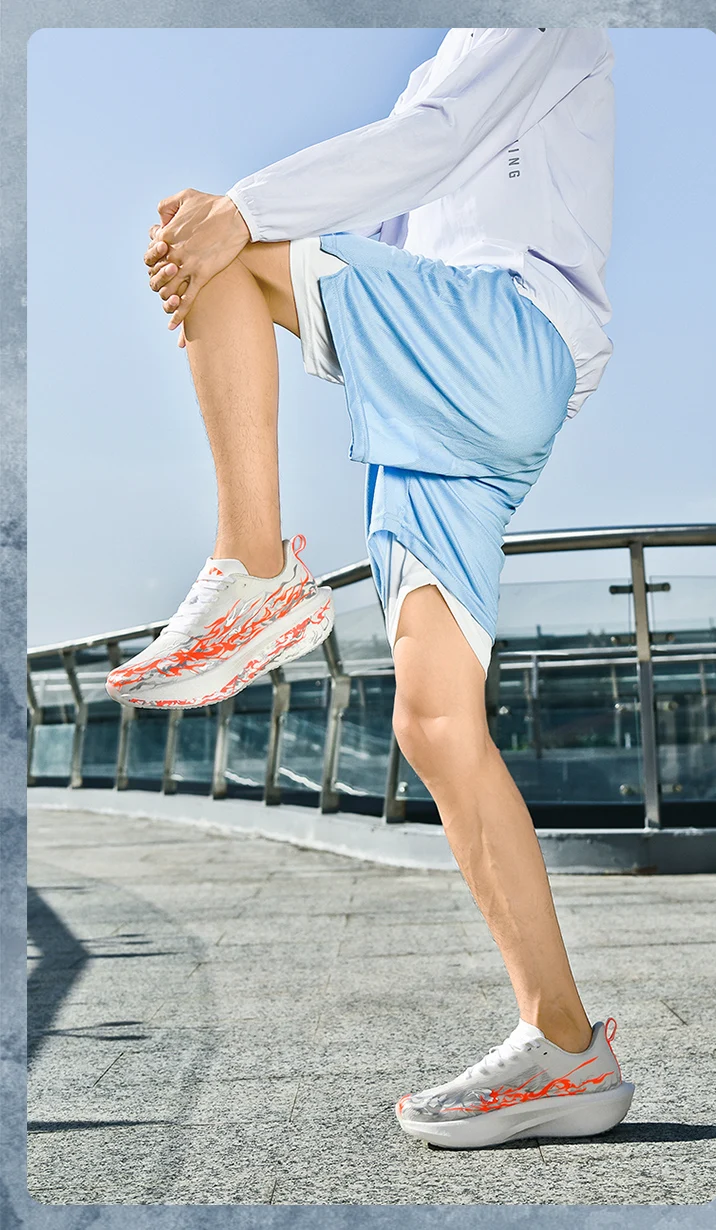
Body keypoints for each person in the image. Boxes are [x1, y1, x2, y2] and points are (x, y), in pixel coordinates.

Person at [106, 27, 634, 1148]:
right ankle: (566, 1047)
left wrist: (234, 225)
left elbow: (427, 144)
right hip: (438, 411)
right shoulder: (441, 51)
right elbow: (370, 248)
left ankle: (256, 569)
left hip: (504, 340)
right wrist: (226, 248)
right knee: (434, 725)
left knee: (226, 242)